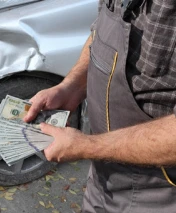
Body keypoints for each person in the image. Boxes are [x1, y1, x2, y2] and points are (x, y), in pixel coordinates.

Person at [23, 0, 176, 212]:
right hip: (103, 176)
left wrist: (86, 146)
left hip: (159, 195)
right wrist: (71, 87)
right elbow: (101, 33)